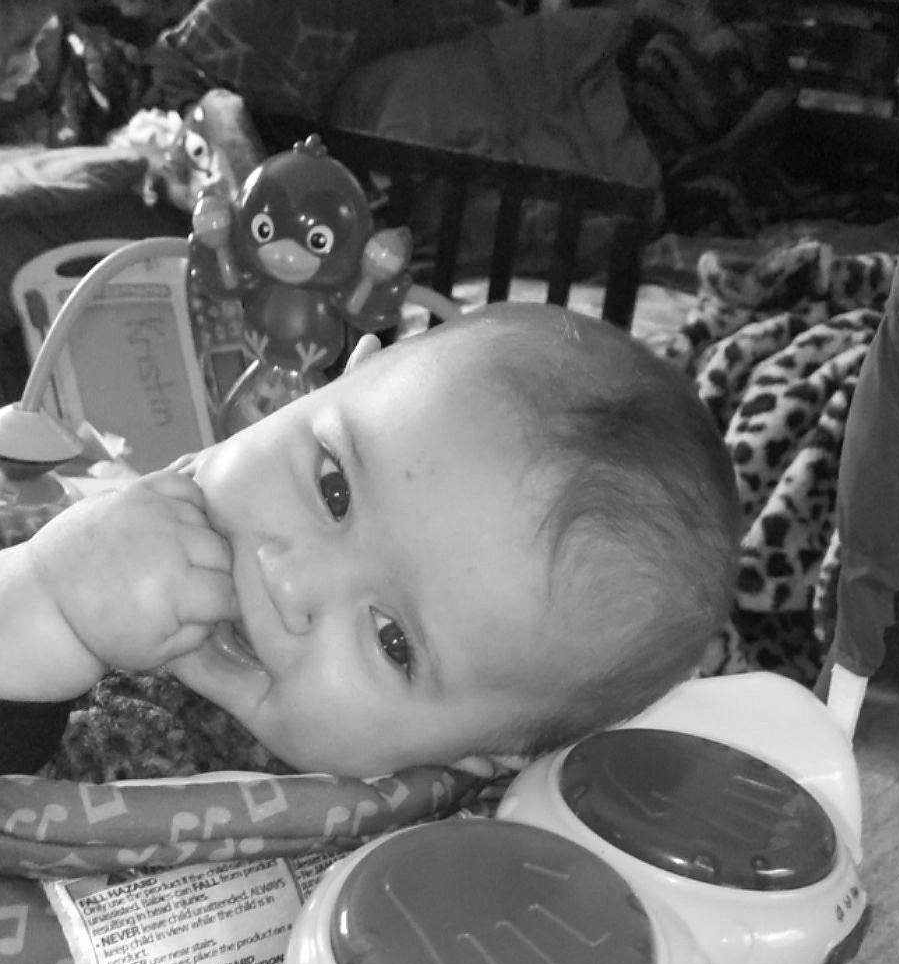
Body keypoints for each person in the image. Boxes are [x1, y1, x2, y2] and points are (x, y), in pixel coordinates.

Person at [0, 302, 740, 782]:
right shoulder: (93, 540)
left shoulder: (398, 890)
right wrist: (45, 598)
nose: (288, 585)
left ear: (483, 758)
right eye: (333, 489)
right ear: (329, 383)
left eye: (392, 641)